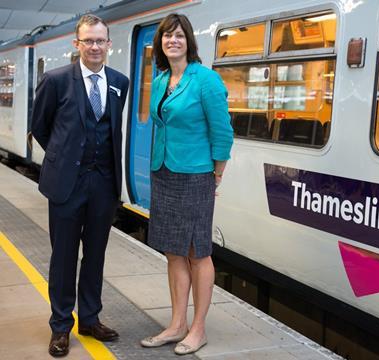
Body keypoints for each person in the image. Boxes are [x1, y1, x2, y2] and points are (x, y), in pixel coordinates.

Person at [31, 14, 129, 357]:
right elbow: (40, 127)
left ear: (109, 44)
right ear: (77, 44)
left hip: (104, 183)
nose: (94, 47)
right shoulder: (55, 80)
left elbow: (112, 129)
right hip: (66, 185)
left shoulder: (120, 82)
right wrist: (64, 159)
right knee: (63, 258)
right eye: (88, 41)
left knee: (96, 256)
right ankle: (61, 327)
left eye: (100, 40)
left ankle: (90, 318)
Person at [140, 13, 233, 355]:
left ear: (189, 41)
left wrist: (216, 174)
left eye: (179, 35)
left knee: (197, 252)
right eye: (167, 36)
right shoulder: (163, 79)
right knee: (174, 251)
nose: (172, 41)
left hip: (195, 175)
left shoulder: (205, 80)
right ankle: (177, 324)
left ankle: (198, 328)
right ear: (161, 43)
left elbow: (223, 133)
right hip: (164, 172)